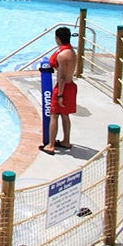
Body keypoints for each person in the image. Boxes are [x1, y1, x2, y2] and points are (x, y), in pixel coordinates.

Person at [40, 27, 77, 155]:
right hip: (71, 85)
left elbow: (61, 77)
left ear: (58, 38)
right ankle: (66, 141)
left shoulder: (61, 55)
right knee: (65, 115)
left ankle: (50, 145)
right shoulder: (71, 51)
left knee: (54, 115)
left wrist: (60, 95)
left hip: (63, 88)